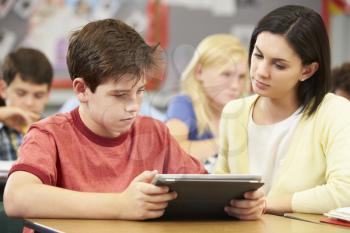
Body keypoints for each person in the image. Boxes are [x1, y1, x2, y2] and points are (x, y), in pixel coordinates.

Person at [3, 19, 265, 231]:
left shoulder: (153, 132)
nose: (134, 105)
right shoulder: (49, 134)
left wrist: (238, 204)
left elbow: (208, 192)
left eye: (139, 91)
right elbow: (16, 198)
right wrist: (119, 205)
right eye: (120, 95)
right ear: (82, 90)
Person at [214, 5, 350, 215]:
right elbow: (219, 185)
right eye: (258, 55)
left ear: (307, 70)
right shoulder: (235, 112)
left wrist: (265, 205)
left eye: (278, 65)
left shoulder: (335, 112)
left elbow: (344, 191)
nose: (261, 72)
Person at [166, 34, 249, 172]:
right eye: (226, 74)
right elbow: (171, 151)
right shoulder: (184, 104)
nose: (235, 85)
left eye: (241, 77)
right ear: (199, 72)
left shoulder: (244, 110)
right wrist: (227, 143)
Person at [0, 48, 53, 160]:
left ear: (48, 95)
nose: (29, 103)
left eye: (38, 95)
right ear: (3, 89)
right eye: (21, 93)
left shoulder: (53, 133)